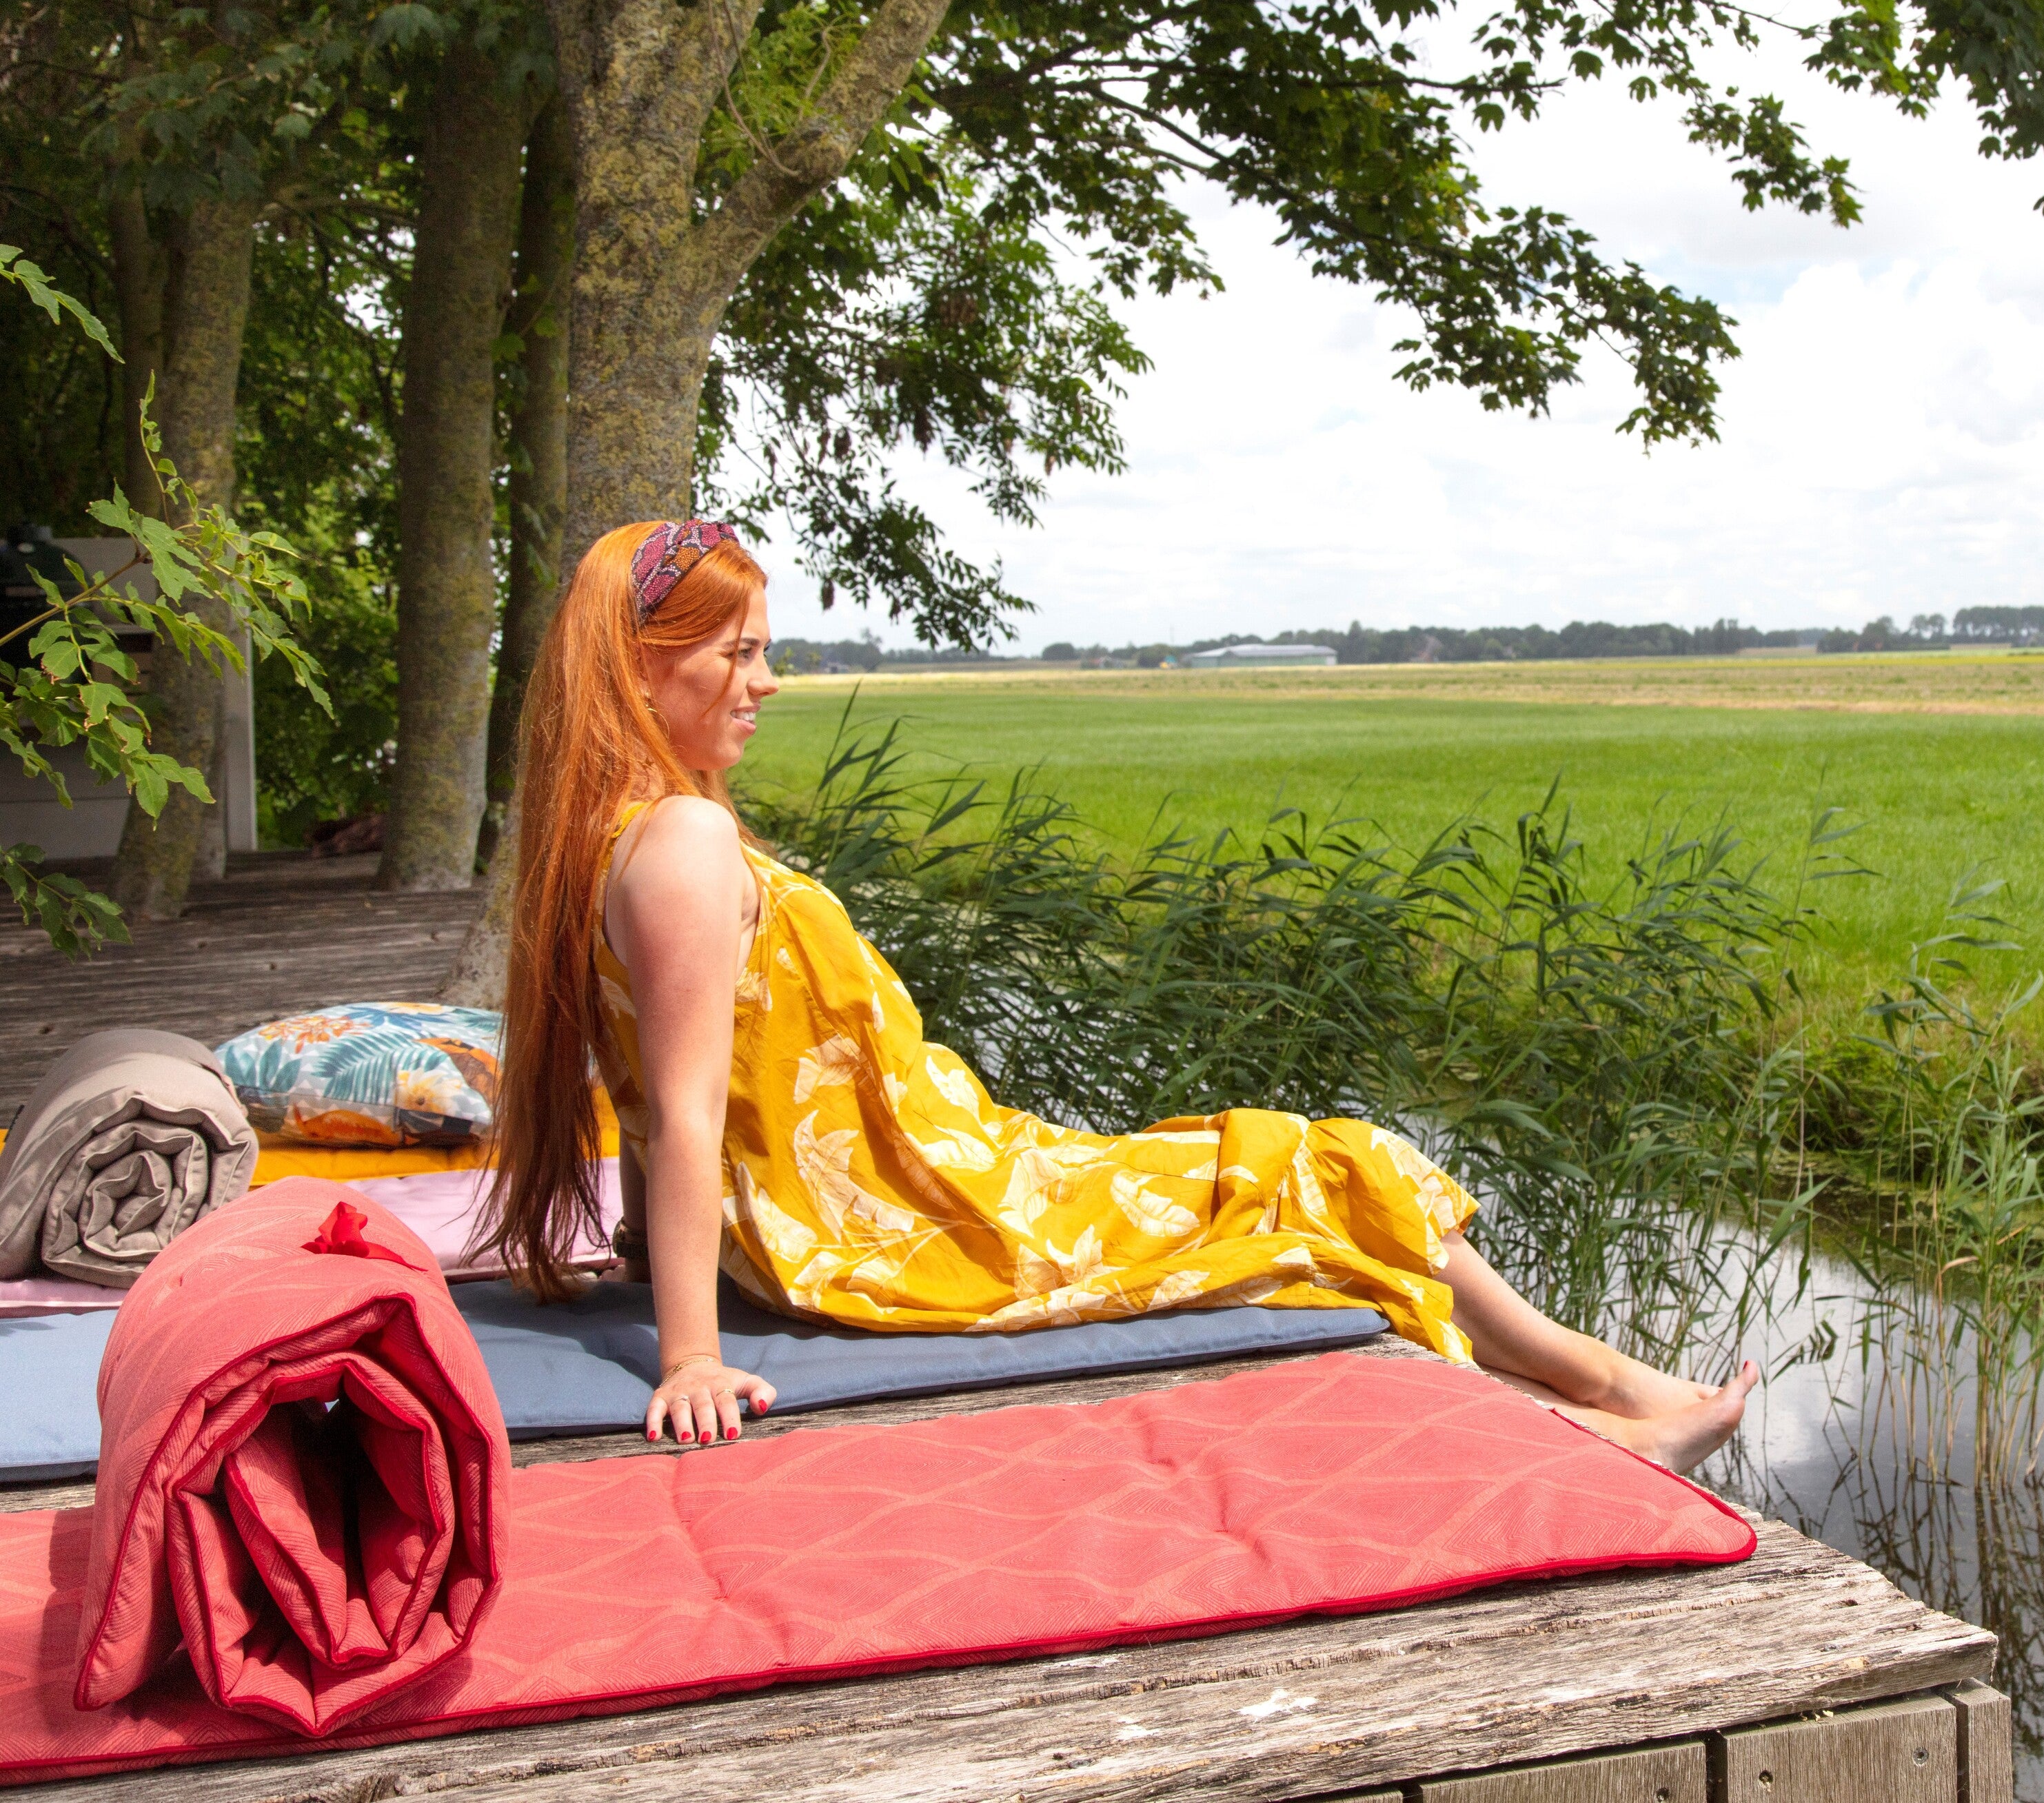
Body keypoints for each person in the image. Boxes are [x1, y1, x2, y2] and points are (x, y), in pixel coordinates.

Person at [486, 521, 1759, 1469]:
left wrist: (653, 1262)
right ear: (641, 671)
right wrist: (691, 1354)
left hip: (911, 1202)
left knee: (1283, 1184)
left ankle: (1594, 1413)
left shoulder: (614, 840)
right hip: (933, 1216)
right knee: (1319, 1166)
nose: (766, 682)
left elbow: (647, 1088)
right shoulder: (685, 844)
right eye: (738, 654)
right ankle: (1604, 1395)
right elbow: (686, 1110)